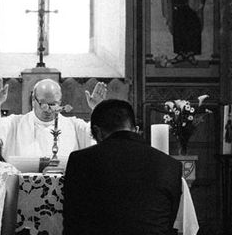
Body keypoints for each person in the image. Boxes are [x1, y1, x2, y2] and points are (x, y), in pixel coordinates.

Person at [63, 99, 182, 235]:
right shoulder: (171, 165)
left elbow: (71, 222)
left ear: (98, 132)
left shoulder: (80, 160)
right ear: (135, 130)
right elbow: (167, 223)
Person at [0, 78, 107, 159]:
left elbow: (97, 140)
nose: (48, 109)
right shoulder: (15, 124)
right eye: (43, 104)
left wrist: (97, 109)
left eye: (54, 104)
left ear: (60, 101)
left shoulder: (74, 126)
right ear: (33, 100)